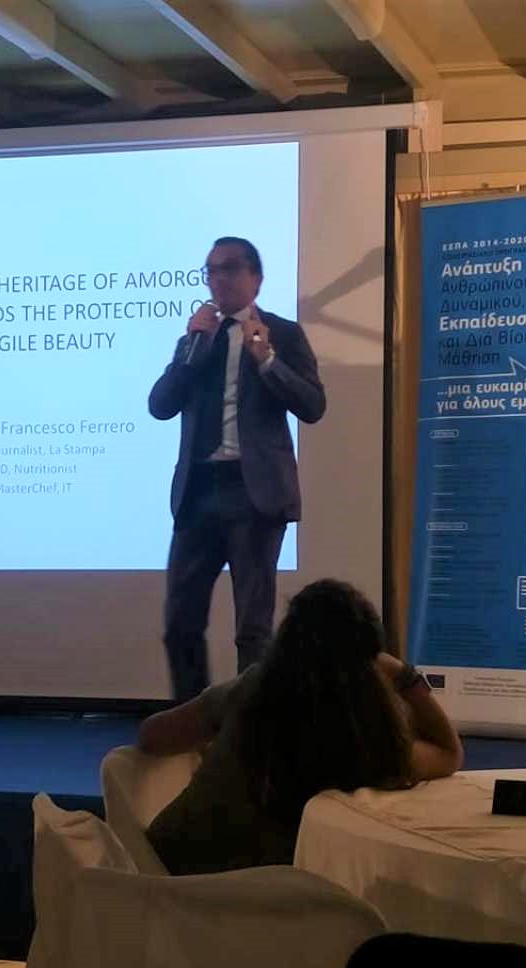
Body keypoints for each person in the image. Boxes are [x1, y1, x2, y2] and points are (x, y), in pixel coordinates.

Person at [139, 579, 464, 876]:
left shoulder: (250, 689)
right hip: (259, 904)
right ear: (371, 663)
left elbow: (153, 736)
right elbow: (448, 753)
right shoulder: (369, 745)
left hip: (163, 875)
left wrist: (217, 742)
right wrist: (404, 674)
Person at [149, 237, 325, 703]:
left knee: (252, 629)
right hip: (199, 493)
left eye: (228, 269)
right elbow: (160, 405)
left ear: (256, 278)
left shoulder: (283, 334)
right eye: (210, 271)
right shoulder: (195, 340)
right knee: (180, 623)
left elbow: (312, 406)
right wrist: (193, 350)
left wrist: (267, 360)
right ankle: (192, 720)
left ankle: (251, 728)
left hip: (255, 495)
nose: (217, 279)